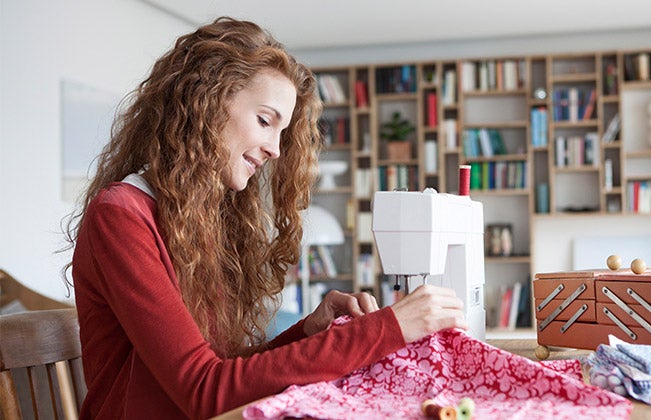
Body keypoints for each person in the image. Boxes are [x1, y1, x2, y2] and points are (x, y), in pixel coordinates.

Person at [62, 17, 467, 419]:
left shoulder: (195, 218)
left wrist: (307, 330)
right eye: (264, 120)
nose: (275, 149)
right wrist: (388, 328)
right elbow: (204, 391)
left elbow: (225, 375)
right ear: (204, 103)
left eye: (282, 131)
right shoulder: (121, 217)